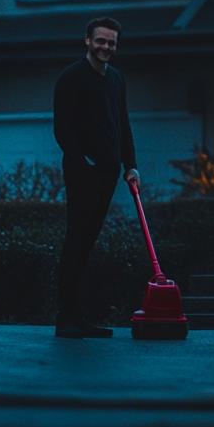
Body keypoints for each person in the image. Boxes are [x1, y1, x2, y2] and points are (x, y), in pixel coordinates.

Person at [52, 17, 139, 338]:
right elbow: (62, 129)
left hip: (108, 174)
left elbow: (123, 124)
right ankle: (65, 319)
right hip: (81, 174)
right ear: (87, 41)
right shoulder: (71, 77)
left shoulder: (116, 79)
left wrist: (130, 165)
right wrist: (82, 163)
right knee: (76, 241)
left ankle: (79, 318)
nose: (106, 47)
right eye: (100, 41)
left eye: (111, 42)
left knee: (87, 245)